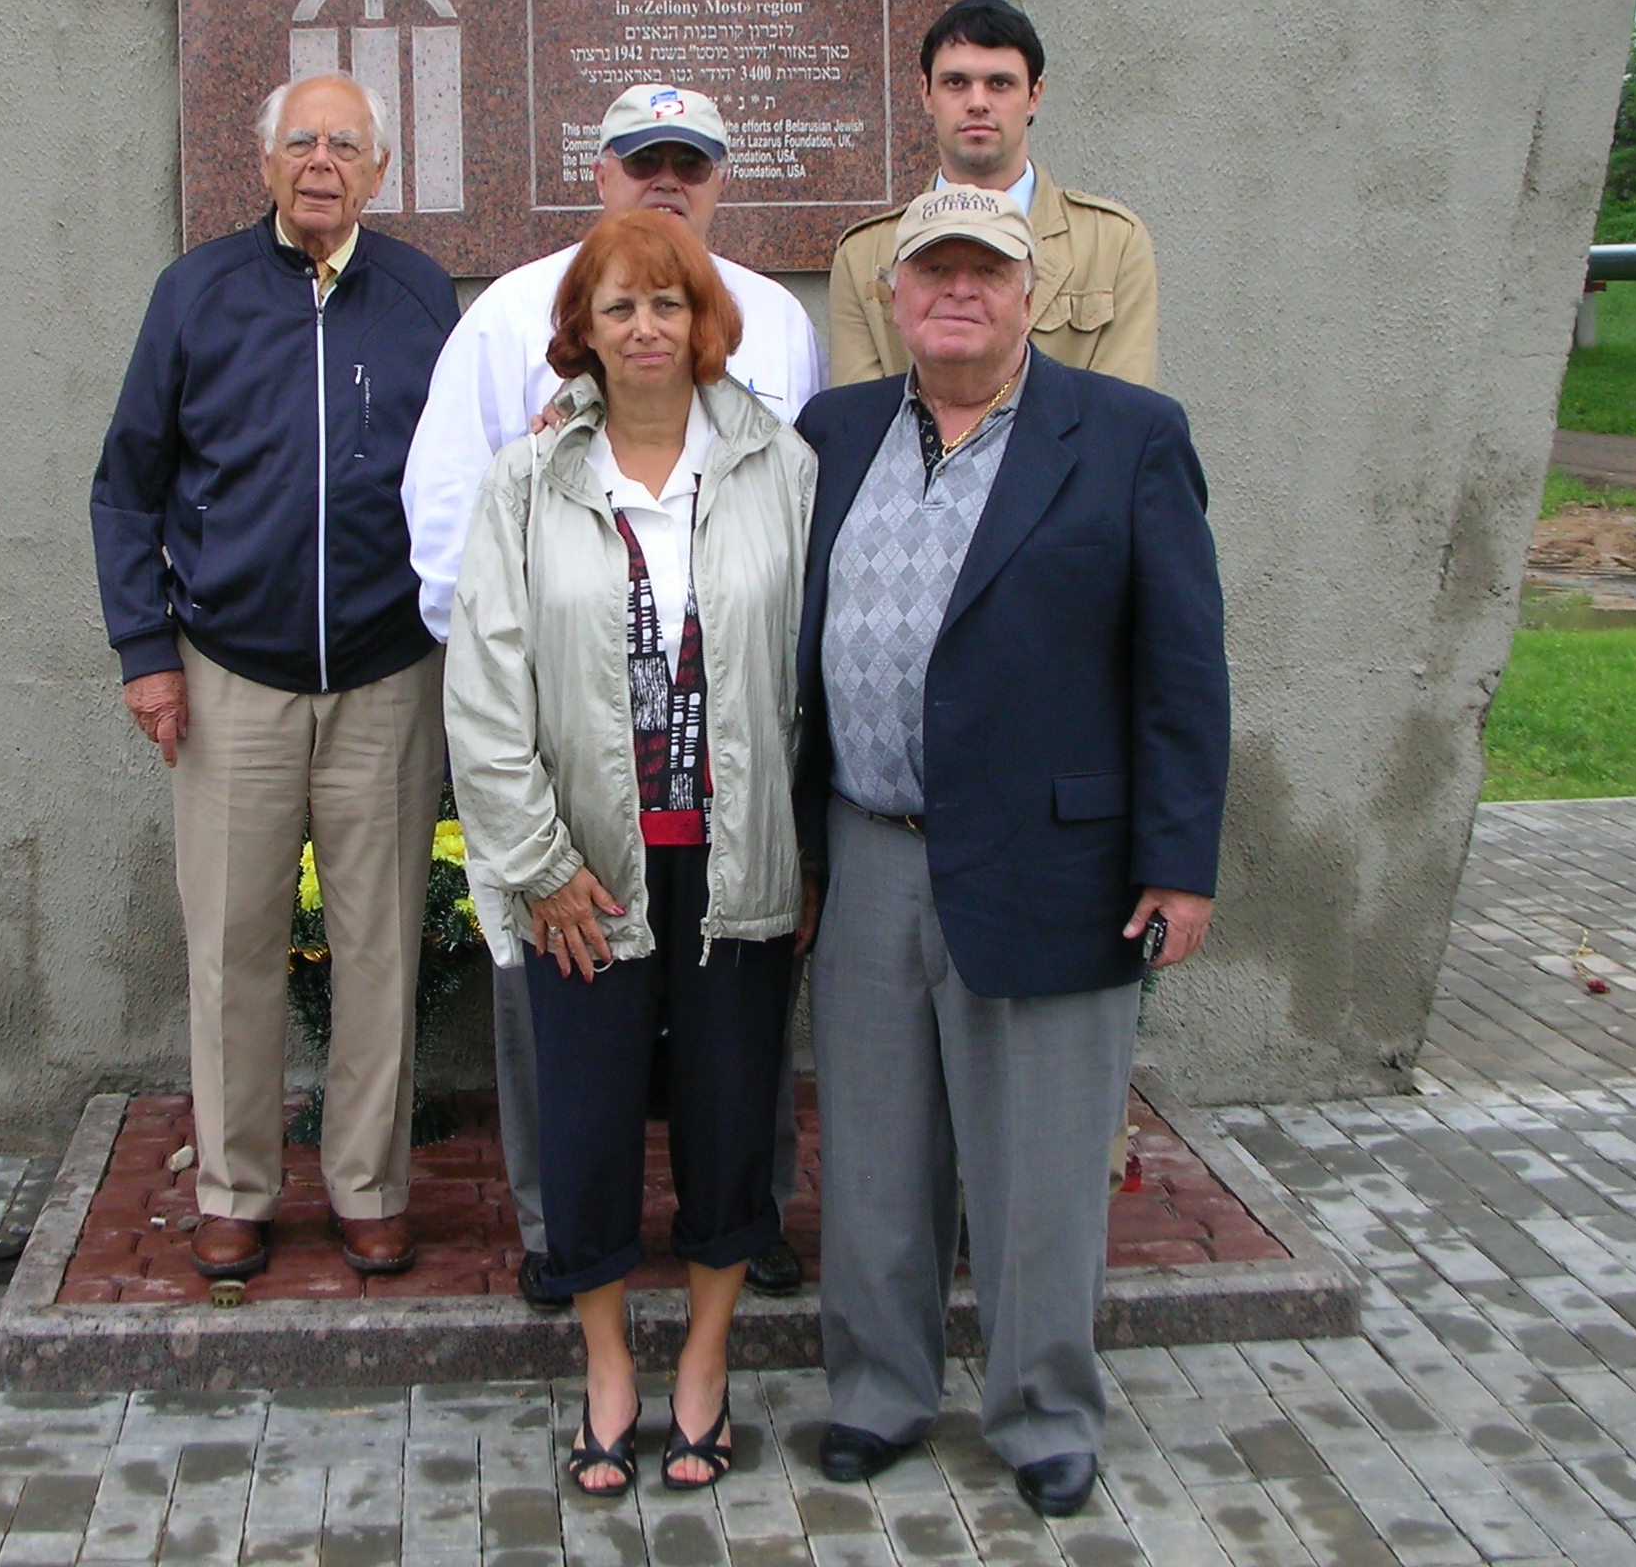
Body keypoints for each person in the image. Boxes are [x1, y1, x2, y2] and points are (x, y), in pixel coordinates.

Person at [791, 183, 1228, 1516]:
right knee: (874, 1157)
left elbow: (1181, 665)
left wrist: (1179, 861)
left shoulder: (1128, 436)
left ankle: (1043, 1412)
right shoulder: (833, 433)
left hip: (1052, 860)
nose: (957, 292)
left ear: (1029, 294)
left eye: (985, 271)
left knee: (1041, 1163)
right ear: (893, 297)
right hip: (867, 849)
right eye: (933, 271)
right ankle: (879, 1390)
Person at [402, 83, 827, 1305]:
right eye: (643, 161)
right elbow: (451, 519)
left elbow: (792, 559)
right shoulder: (504, 315)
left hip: (724, 782)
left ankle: (742, 1218)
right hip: (569, 757)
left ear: (719, 180)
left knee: (735, 1034)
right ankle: (560, 1228)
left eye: (689, 163)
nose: (665, 182)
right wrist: (527, 734)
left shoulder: (775, 323)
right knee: (561, 1027)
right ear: (598, 173)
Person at [443, 208, 818, 1495]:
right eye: (619, 306)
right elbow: (484, 687)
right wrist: (536, 863)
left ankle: (704, 1363)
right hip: (586, 868)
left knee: (730, 1119)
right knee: (588, 1125)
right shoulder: (527, 480)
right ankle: (606, 1368)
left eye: (668, 302)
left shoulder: (780, 468)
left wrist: (806, 851)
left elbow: (812, 675)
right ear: (582, 331)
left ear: (705, 320)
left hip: (736, 862)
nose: (646, 327)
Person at [89, 73, 459, 1285]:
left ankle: (368, 1189)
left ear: (379, 170)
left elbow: (460, 476)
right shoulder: (195, 293)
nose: (319, 162)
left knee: (378, 950)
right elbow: (125, 488)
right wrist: (147, 654)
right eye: (299, 141)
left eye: (344, 145)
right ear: (263, 164)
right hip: (228, 676)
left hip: (384, 675)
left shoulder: (420, 297)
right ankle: (235, 1190)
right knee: (230, 950)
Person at [829, 0, 1159, 387]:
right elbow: (863, 414)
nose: (977, 103)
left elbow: (1122, 413)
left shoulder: (1112, 244)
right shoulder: (864, 254)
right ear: (926, 94)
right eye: (956, 83)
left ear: (1034, 96)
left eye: (1000, 84)